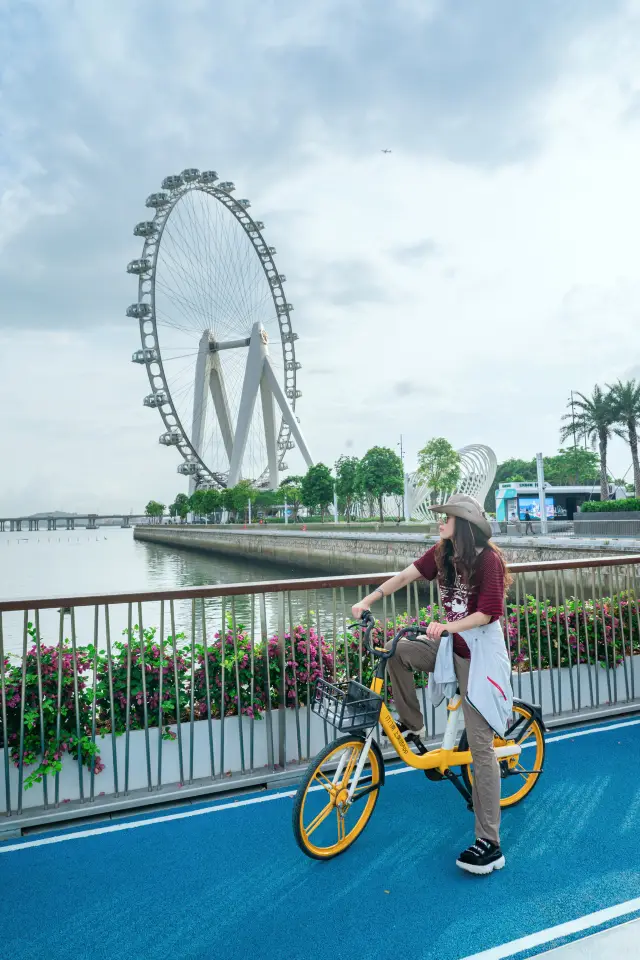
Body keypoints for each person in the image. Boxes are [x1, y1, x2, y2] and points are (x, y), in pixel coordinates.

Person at [351, 493, 512, 876]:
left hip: (479, 655)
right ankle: (413, 721)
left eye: (446, 518)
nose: (439, 522)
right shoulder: (442, 553)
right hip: (449, 647)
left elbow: (488, 613)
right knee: (398, 651)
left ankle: (490, 843)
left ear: (464, 523)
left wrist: (448, 626)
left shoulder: (488, 559)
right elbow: (406, 575)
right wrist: (368, 599)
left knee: (481, 748)